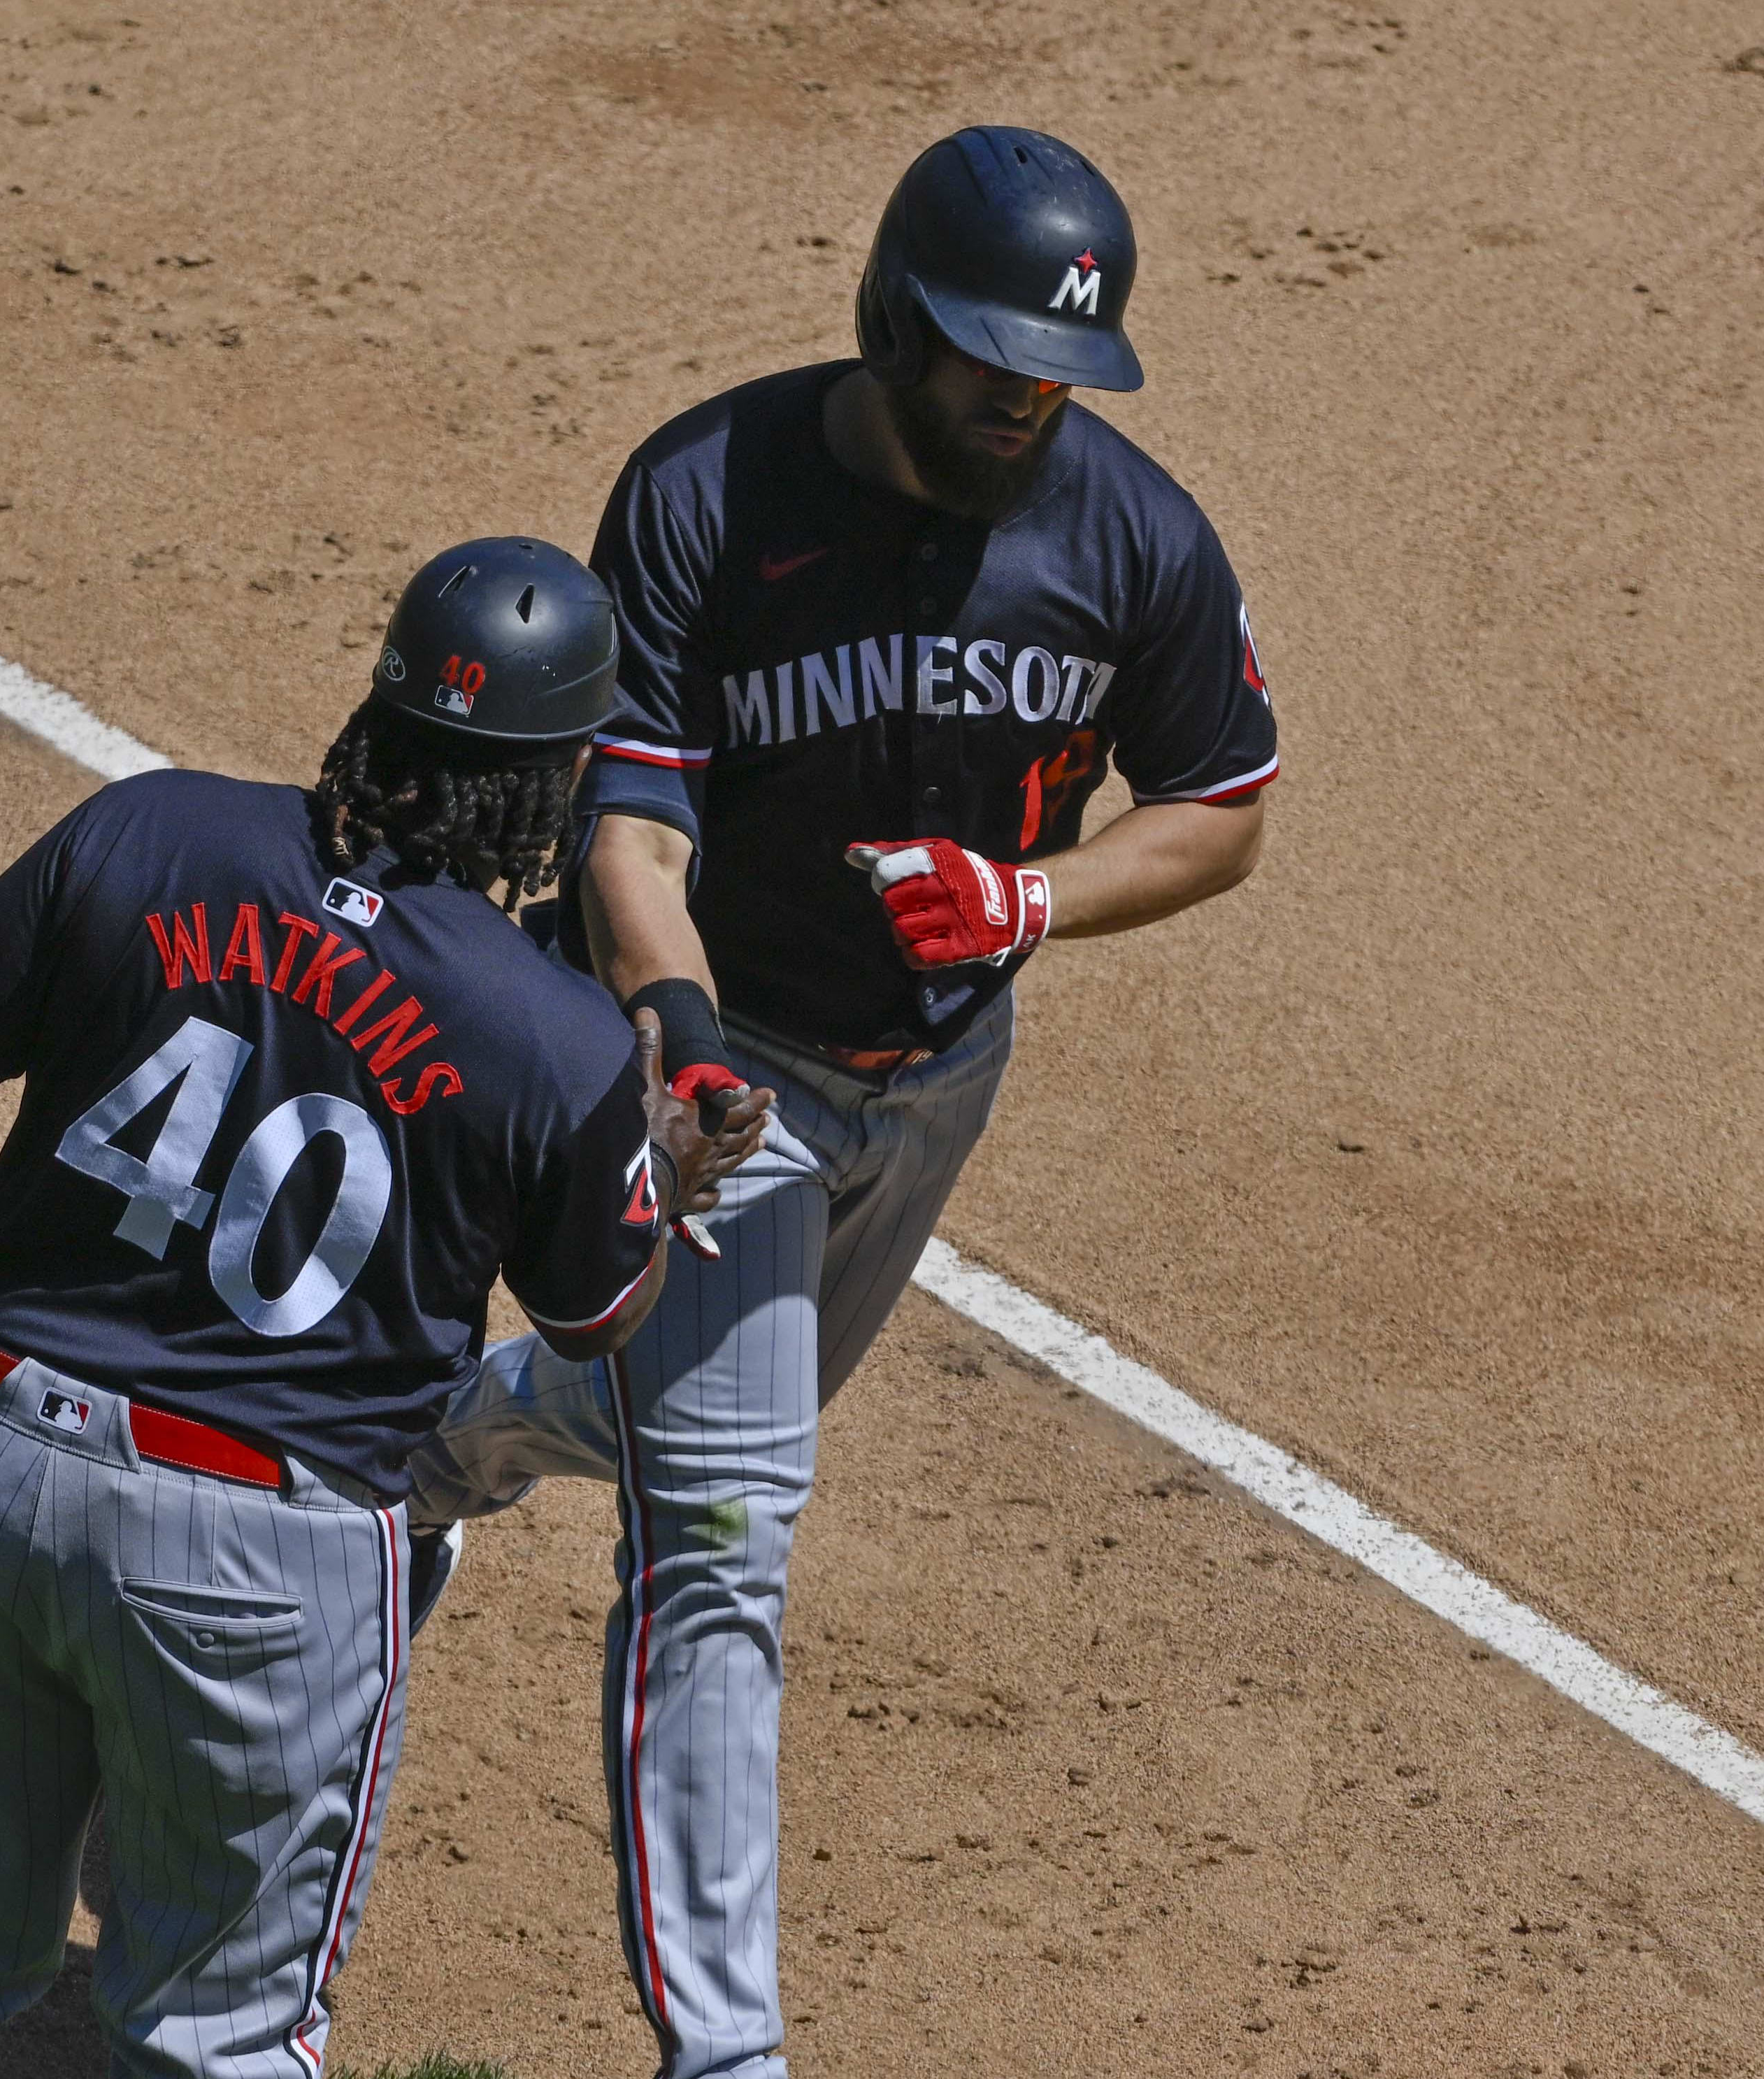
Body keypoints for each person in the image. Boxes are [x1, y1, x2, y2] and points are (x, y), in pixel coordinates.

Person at [406, 128, 1279, 2079]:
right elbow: (625, 817)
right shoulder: (709, 493)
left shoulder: (1130, 538)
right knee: (721, 1530)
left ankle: (434, 1452)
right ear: (889, 319)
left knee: (704, 1426)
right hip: (726, 1076)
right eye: (984, 357)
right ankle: (727, 2053)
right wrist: (681, 1029)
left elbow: (1218, 809)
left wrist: (1032, 897)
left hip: (937, 1074)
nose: (1021, 397)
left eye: (1051, 368)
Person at [0, 537, 771, 2079]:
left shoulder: (147, 833)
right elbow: (597, 1311)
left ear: (383, 703)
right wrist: (658, 1170)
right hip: (256, 1555)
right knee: (225, 2036)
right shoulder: (548, 1031)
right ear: (554, 787)